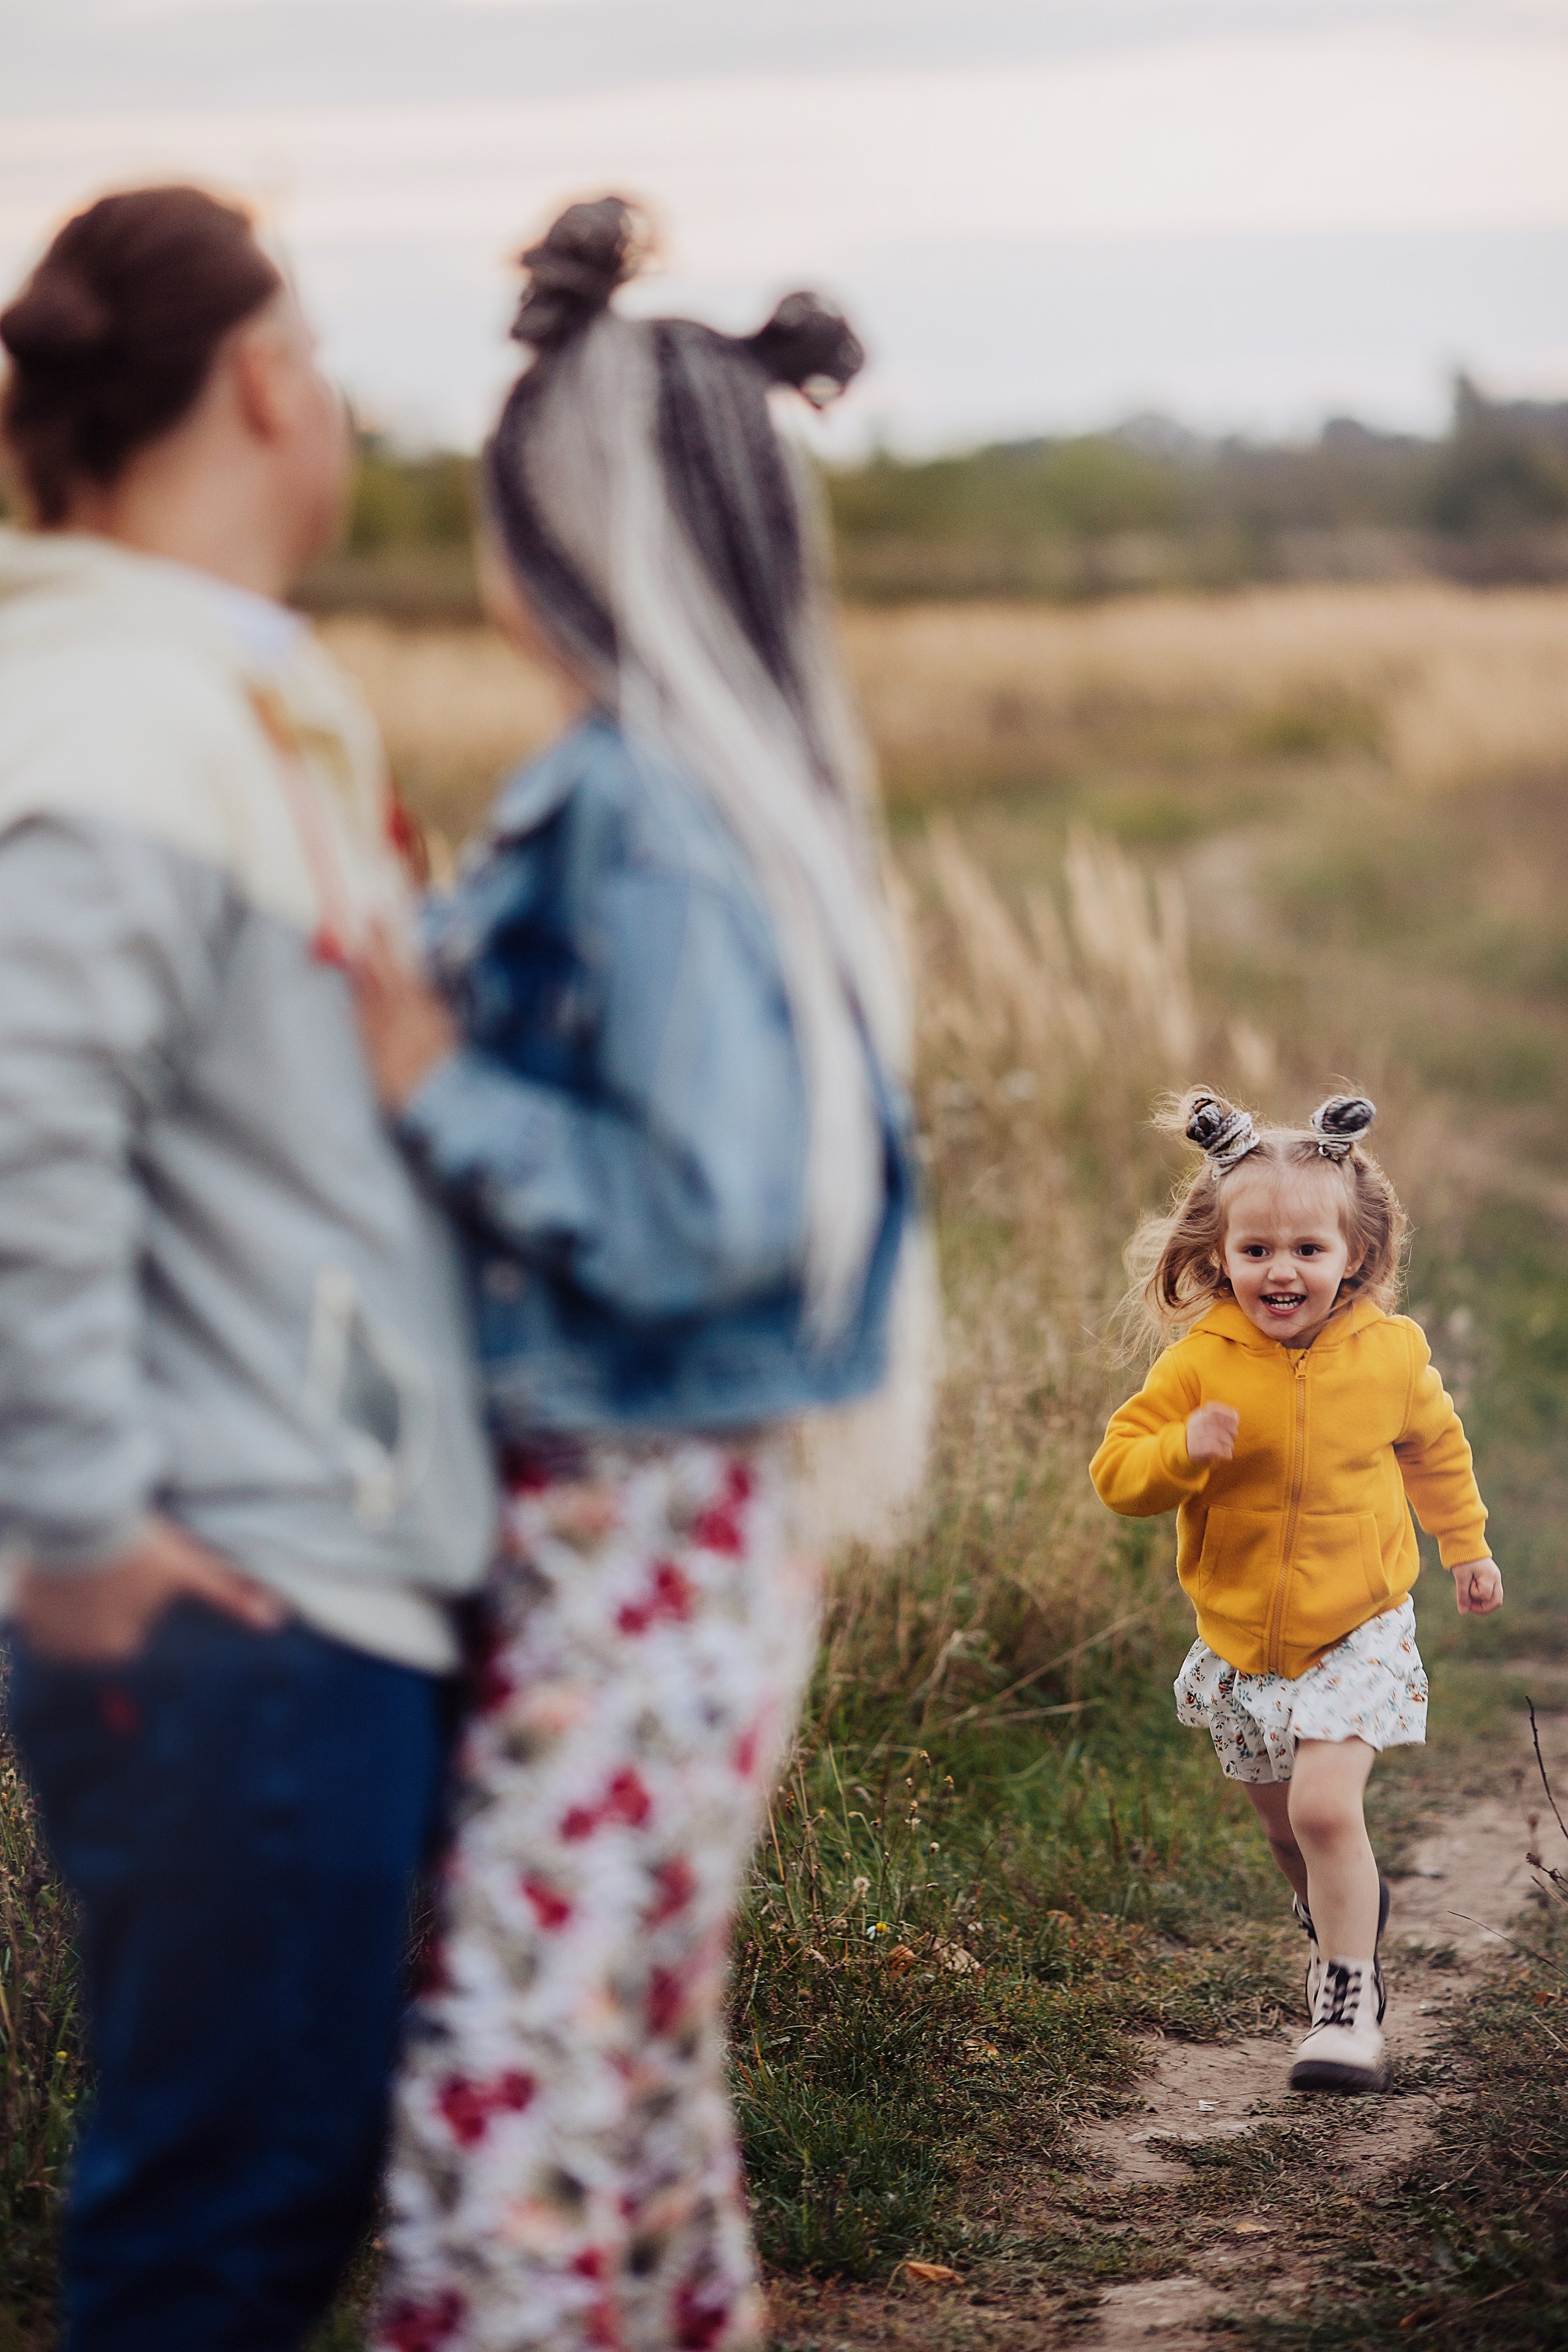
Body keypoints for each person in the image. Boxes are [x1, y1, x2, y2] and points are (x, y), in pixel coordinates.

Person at [348, 196, 930, 2352]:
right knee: (614, 2102)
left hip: (632, 1540)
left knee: (514, 2124)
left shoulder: (642, 810)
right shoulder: (690, 796)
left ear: (560, 536)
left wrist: (433, 1081)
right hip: (667, 1541)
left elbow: (710, 1210)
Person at [0, 187, 496, 2348]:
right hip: (236, 1600)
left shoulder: (193, 691)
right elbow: (20, 1123)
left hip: (313, 1578)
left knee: (268, 2211)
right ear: (267, 382)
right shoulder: (118, 711)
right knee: (226, 2235)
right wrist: (85, 1525)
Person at [1091, 1090, 1501, 2094]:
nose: (1283, 1271)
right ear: (1221, 1257)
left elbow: (1436, 1451)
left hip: (1359, 1625)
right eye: (1259, 1250)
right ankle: (1334, 1915)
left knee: (1324, 1810)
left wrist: (1465, 1546)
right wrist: (1181, 1455)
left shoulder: (1392, 1356)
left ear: (1354, 1257)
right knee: (1285, 1829)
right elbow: (1117, 1473)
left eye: (1308, 1251)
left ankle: (1347, 2000)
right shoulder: (1198, 1367)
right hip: (1241, 1644)